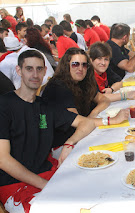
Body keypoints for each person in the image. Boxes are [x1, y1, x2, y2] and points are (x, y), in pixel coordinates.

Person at [0, 50, 98, 213]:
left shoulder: (45, 106)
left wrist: (69, 143)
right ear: (19, 71)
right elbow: (3, 160)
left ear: (45, 71)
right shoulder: (4, 105)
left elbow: (86, 123)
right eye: (29, 69)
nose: (35, 74)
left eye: (39, 69)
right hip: (14, 184)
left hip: (47, 173)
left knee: (92, 192)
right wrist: (45, 185)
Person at [42, 47, 129, 148]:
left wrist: (92, 115)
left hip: (83, 134)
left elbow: (104, 99)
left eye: (84, 65)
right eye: (75, 64)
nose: (80, 68)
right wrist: (113, 120)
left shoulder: (82, 81)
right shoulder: (58, 87)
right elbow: (78, 123)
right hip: (63, 145)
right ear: (66, 66)